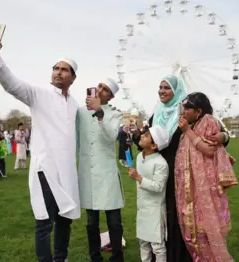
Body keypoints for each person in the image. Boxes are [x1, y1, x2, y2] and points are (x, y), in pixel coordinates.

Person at [0, 37, 80, 262]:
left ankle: (61, 257)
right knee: (44, 221)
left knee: (65, 218)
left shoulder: (75, 104)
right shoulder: (39, 94)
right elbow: (12, 84)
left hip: (66, 171)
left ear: (73, 78)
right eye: (55, 68)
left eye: (64, 70)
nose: (58, 72)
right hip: (45, 169)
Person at [131, 75, 230, 262]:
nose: (162, 91)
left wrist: (224, 136)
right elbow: (145, 140)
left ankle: (180, 254)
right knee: (159, 212)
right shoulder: (157, 114)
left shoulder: (184, 112)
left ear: (176, 91)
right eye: (160, 87)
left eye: (167, 88)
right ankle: (159, 250)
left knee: (179, 212)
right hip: (158, 171)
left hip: (183, 174)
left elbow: (213, 131)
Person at [175, 92, 237, 261]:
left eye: (188, 108)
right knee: (196, 232)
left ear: (199, 111)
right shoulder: (191, 125)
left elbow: (210, 149)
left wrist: (188, 131)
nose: (183, 111)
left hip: (205, 189)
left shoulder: (207, 122)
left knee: (207, 232)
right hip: (192, 190)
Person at [76, 78, 124, 262]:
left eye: (105, 89)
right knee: (91, 222)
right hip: (87, 172)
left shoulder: (114, 114)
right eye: (100, 86)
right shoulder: (79, 112)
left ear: (110, 96)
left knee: (114, 220)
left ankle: (117, 256)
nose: (100, 89)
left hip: (107, 173)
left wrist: (99, 112)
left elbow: (111, 136)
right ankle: (95, 256)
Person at [128, 126, 169, 262]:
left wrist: (138, 178)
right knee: (143, 243)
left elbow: (158, 187)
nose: (141, 136)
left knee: (158, 246)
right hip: (142, 208)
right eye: (143, 133)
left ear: (154, 145)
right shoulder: (140, 156)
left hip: (155, 210)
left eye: (146, 135)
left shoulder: (161, 163)